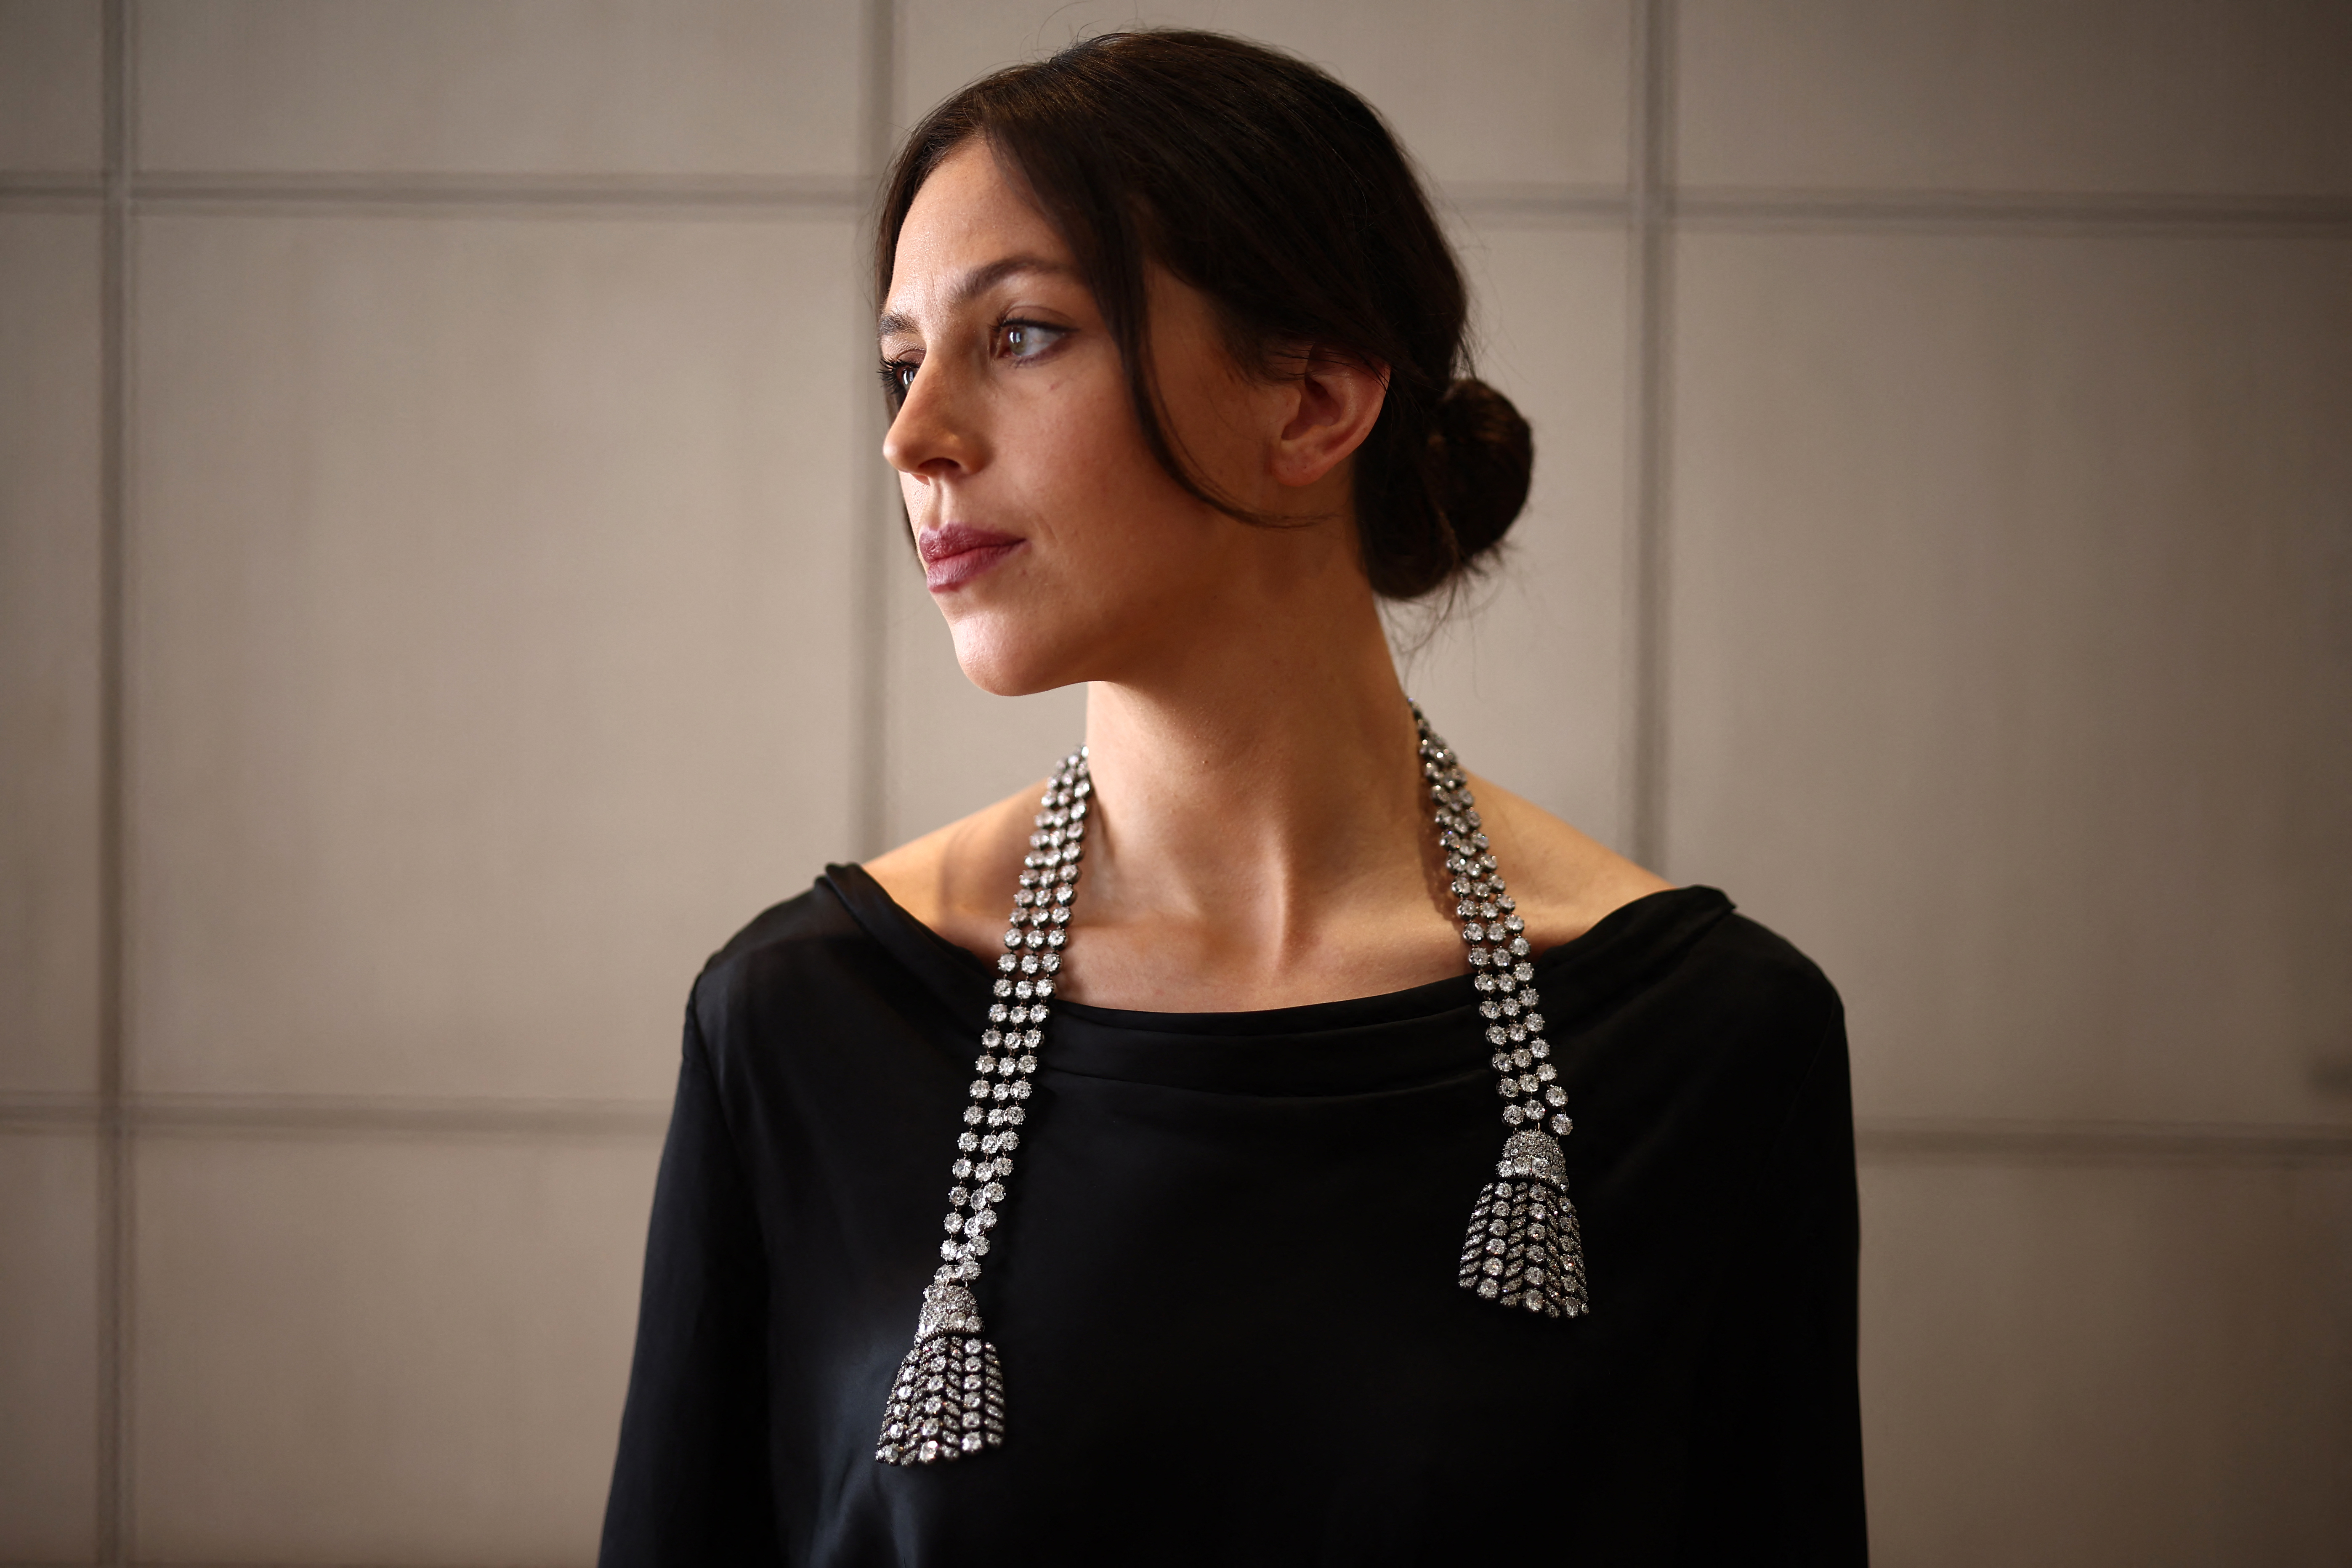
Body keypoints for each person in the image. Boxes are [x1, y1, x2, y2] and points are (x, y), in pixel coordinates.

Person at [600, 28, 1865, 1567]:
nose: (911, 437)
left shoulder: (1708, 1040)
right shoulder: (802, 1022)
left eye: (1021, 335)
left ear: (1314, 399)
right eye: (901, 360)